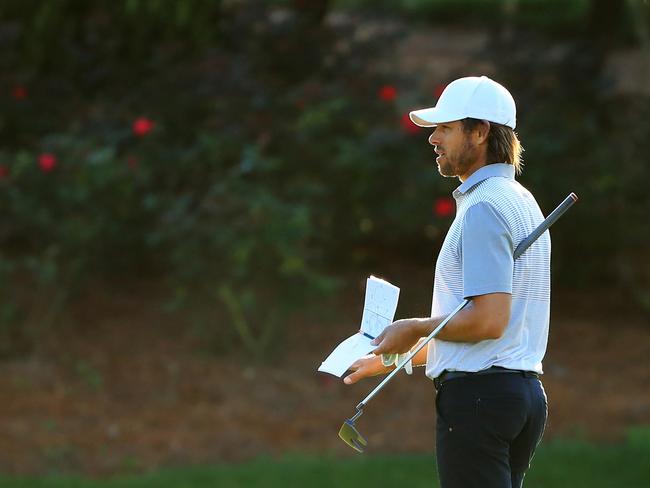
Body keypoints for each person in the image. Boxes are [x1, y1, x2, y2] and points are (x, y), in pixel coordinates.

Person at [343, 76, 550, 488]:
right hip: (517, 396)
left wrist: (413, 327)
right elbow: (485, 330)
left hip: (480, 399)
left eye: (446, 128)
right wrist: (395, 356)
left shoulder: (484, 208)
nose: (433, 138)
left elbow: (488, 322)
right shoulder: (519, 199)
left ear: (479, 132)